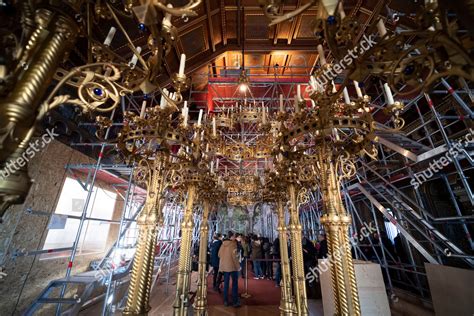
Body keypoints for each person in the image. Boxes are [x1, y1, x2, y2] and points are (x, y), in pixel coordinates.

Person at [218, 231, 241, 307]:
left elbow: (219, 254)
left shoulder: (223, 244)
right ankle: (235, 301)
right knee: (234, 284)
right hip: (232, 267)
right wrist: (238, 266)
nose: (235, 237)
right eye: (234, 236)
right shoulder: (233, 244)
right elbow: (234, 257)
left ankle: (225, 301)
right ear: (231, 237)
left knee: (226, 285)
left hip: (224, 267)